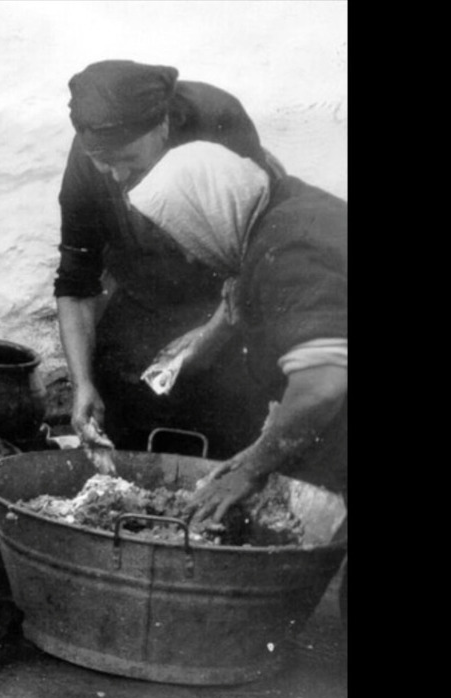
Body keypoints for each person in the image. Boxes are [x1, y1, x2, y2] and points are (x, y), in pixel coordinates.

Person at [54, 60, 284, 459]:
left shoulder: (217, 122)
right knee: (125, 434)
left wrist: (210, 337)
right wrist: (82, 384)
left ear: (162, 127)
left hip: (224, 301)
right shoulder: (88, 156)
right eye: (102, 161)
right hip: (140, 298)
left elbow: (257, 256)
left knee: (225, 432)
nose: (116, 175)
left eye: (129, 160)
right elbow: (76, 284)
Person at [125, 141, 346, 525]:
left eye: (187, 237)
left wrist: (253, 469)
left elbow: (320, 386)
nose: (192, 256)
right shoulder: (287, 209)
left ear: (210, 211)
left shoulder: (287, 250)